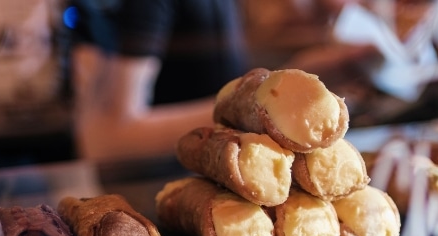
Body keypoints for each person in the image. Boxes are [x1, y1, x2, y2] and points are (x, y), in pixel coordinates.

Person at [64, 0, 381, 163]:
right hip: (159, 211)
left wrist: (301, 78)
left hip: (220, 184)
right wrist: (273, 104)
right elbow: (105, 140)